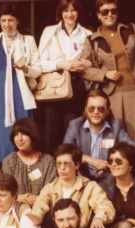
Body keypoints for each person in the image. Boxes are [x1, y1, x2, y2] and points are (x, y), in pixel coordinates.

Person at [81, 0, 135, 148]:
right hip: (110, 93)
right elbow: (83, 69)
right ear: (98, 14)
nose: (109, 14)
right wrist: (105, 74)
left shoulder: (130, 29)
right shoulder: (92, 40)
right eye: (105, 11)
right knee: (113, 138)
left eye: (113, 11)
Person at [0, 3, 42, 162]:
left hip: (19, 91)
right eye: (3, 20)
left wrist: (26, 68)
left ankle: (24, 163)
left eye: (10, 20)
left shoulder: (27, 41)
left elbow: (38, 70)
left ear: (18, 21)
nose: (7, 24)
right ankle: (1, 166)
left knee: (22, 128)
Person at [28, 144, 115, 228]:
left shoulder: (90, 186)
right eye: (58, 164)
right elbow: (41, 203)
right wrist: (37, 215)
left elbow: (105, 205)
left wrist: (100, 217)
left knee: (97, 226)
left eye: (67, 164)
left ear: (77, 165)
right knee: (47, 218)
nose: (62, 168)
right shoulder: (50, 187)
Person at [37, 0, 93, 154]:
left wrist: (86, 64)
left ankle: (74, 168)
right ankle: (51, 169)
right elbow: (39, 63)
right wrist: (61, 65)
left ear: (79, 12)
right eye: (65, 10)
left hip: (76, 86)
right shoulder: (49, 32)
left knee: (74, 128)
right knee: (51, 130)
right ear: (60, 12)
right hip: (54, 85)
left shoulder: (87, 34)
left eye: (73, 10)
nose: (69, 14)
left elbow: (95, 63)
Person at [63, 89, 135, 181]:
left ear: (107, 111)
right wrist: (87, 159)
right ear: (86, 109)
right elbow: (64, 153)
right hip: (82, 178)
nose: (95, 112)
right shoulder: (75, 125)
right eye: (91, 108)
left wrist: (112, 163)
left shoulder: (115, 125)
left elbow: (134, 149)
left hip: (109, 178)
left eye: (101, 109)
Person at [2, 117, 57, 207]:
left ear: (33, 135)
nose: (19, 139)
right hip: (16, 208)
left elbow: (51, 190)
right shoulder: (9, 161)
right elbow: (7, 191)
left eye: (24, 134)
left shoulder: (47, 160)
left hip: (43, 208)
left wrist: (37, 199)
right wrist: (21, 198)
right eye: (16, 134)